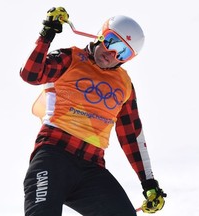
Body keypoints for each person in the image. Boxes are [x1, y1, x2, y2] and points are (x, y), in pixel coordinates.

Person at [20, 6, 167, 216]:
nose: (112, 53)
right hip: (53, 157)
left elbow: (132, 136)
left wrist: (149, 182)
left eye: (123, 52)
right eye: (111, 41)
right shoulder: (70, 58)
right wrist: (47, 33)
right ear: (101, 34)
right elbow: (31, 75)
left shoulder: (124, 85)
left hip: (91, 168)